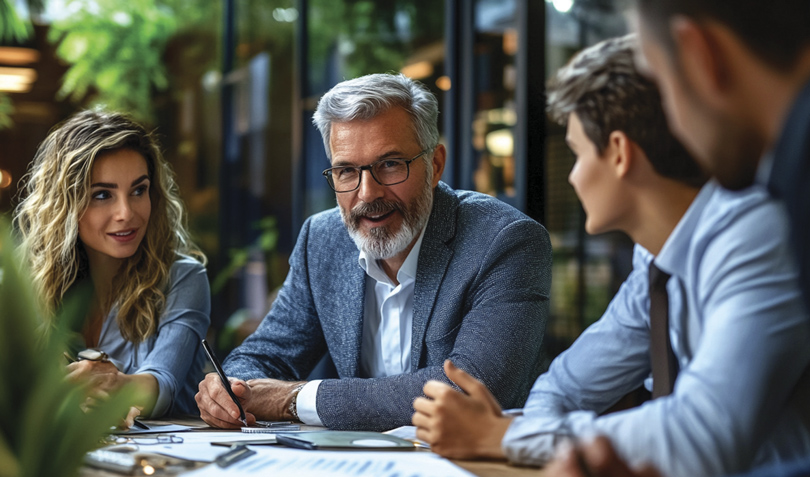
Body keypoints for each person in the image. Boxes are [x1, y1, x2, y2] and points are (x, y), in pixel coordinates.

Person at [412, 34, 810, 477]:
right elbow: (565, 387)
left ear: (619, 153)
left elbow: (704, 437)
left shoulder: (754, 234)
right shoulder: (656, 262)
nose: (572, 176)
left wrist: (512, 436)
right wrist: (516, 436)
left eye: (577, 153)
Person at [542, 1, 810, 477]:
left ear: (699, 55)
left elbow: (705, 437)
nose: (667, 125)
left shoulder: (805, 208)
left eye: (660, 85)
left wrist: (516, 437)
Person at [195, 73, 552, 431]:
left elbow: (470, 391)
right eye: (346, 171)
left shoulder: (505, 241)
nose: (368, 193)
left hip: (475, 475)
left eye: (391, 164)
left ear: (435, 165)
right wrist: (230, 392)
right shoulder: (322, 239)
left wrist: (293, 398)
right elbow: (265, 356)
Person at [14, 109, 210, 423]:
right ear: (66, 203)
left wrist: (115, 386)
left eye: (138, 190)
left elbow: (163, 383)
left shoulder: (183, 277)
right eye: (103, 194)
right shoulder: (37, 279)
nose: (126, 213)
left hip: (166, 463)